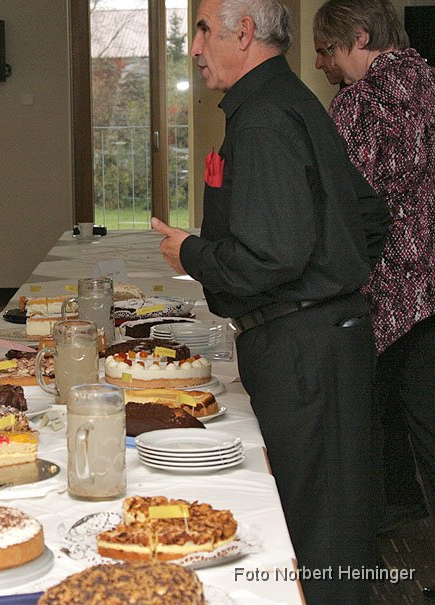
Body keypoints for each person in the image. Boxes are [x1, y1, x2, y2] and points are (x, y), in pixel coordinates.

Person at [150, 0, 390, 602]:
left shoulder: (262, 117)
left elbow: (272, 255)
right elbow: (368, 216)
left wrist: (193, 255)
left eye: (203, 31)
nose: (196, 48)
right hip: (324, 336)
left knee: (318, 535)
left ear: (245, 32)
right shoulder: (292, 101)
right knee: (329, 525)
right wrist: (333, 274)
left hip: (304, 348)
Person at [315, 0, 435, 526]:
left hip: (384, 288)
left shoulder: (359, 103)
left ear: (359, 38)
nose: (322, 65)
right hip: (430, 284)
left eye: (327, 50)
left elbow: (343, 206)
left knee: (366, 421)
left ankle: (374, 530)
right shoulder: (430, 85)